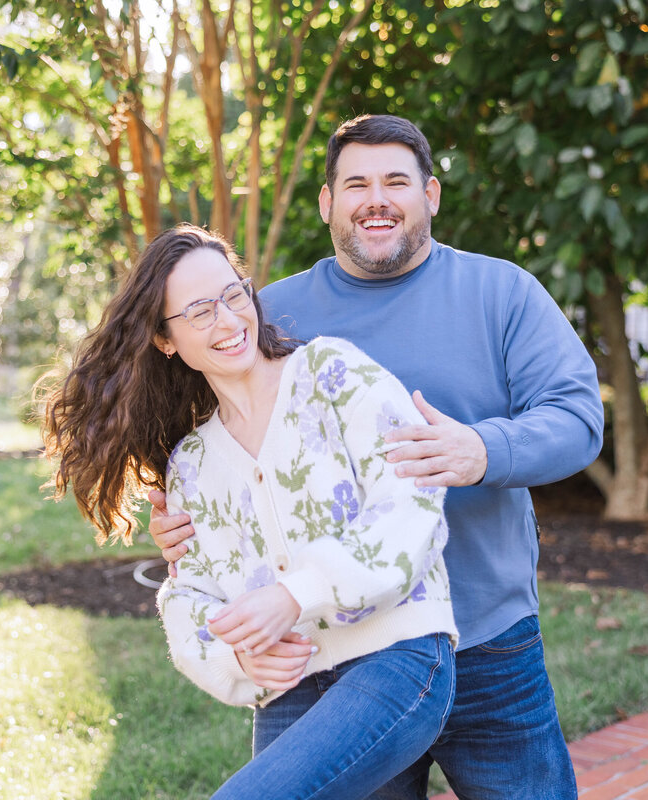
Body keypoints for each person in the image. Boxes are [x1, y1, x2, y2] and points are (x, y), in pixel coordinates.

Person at [148, 114, 605, 799]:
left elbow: (577, 418)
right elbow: (225, 457)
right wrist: (177, 521)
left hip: (488, 638)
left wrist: (480, 449)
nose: (376, 198)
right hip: (337, 655)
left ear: (431, 195)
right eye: (356, 183)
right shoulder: (269, 314)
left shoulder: (499, 292)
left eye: (396, 181)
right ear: (328, 203)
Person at [40, 223, 458, 799]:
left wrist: (295, 596)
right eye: (200, 311)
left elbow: (411, 500)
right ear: (165, 339)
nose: (229, 320)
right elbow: (189, 594)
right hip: (291, 683)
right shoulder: (191, 463)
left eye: (234, 295)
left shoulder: (332, 376)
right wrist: (236, 656)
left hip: (396, 657)